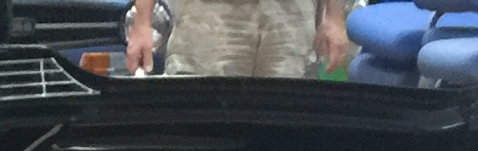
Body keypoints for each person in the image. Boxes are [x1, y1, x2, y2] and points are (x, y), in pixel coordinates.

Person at [124, 0, 344, 73]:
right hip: (209, 15)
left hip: (289, 16)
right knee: (202, 116)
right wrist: (142, 21)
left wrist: (335, 16)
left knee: (287, 119)